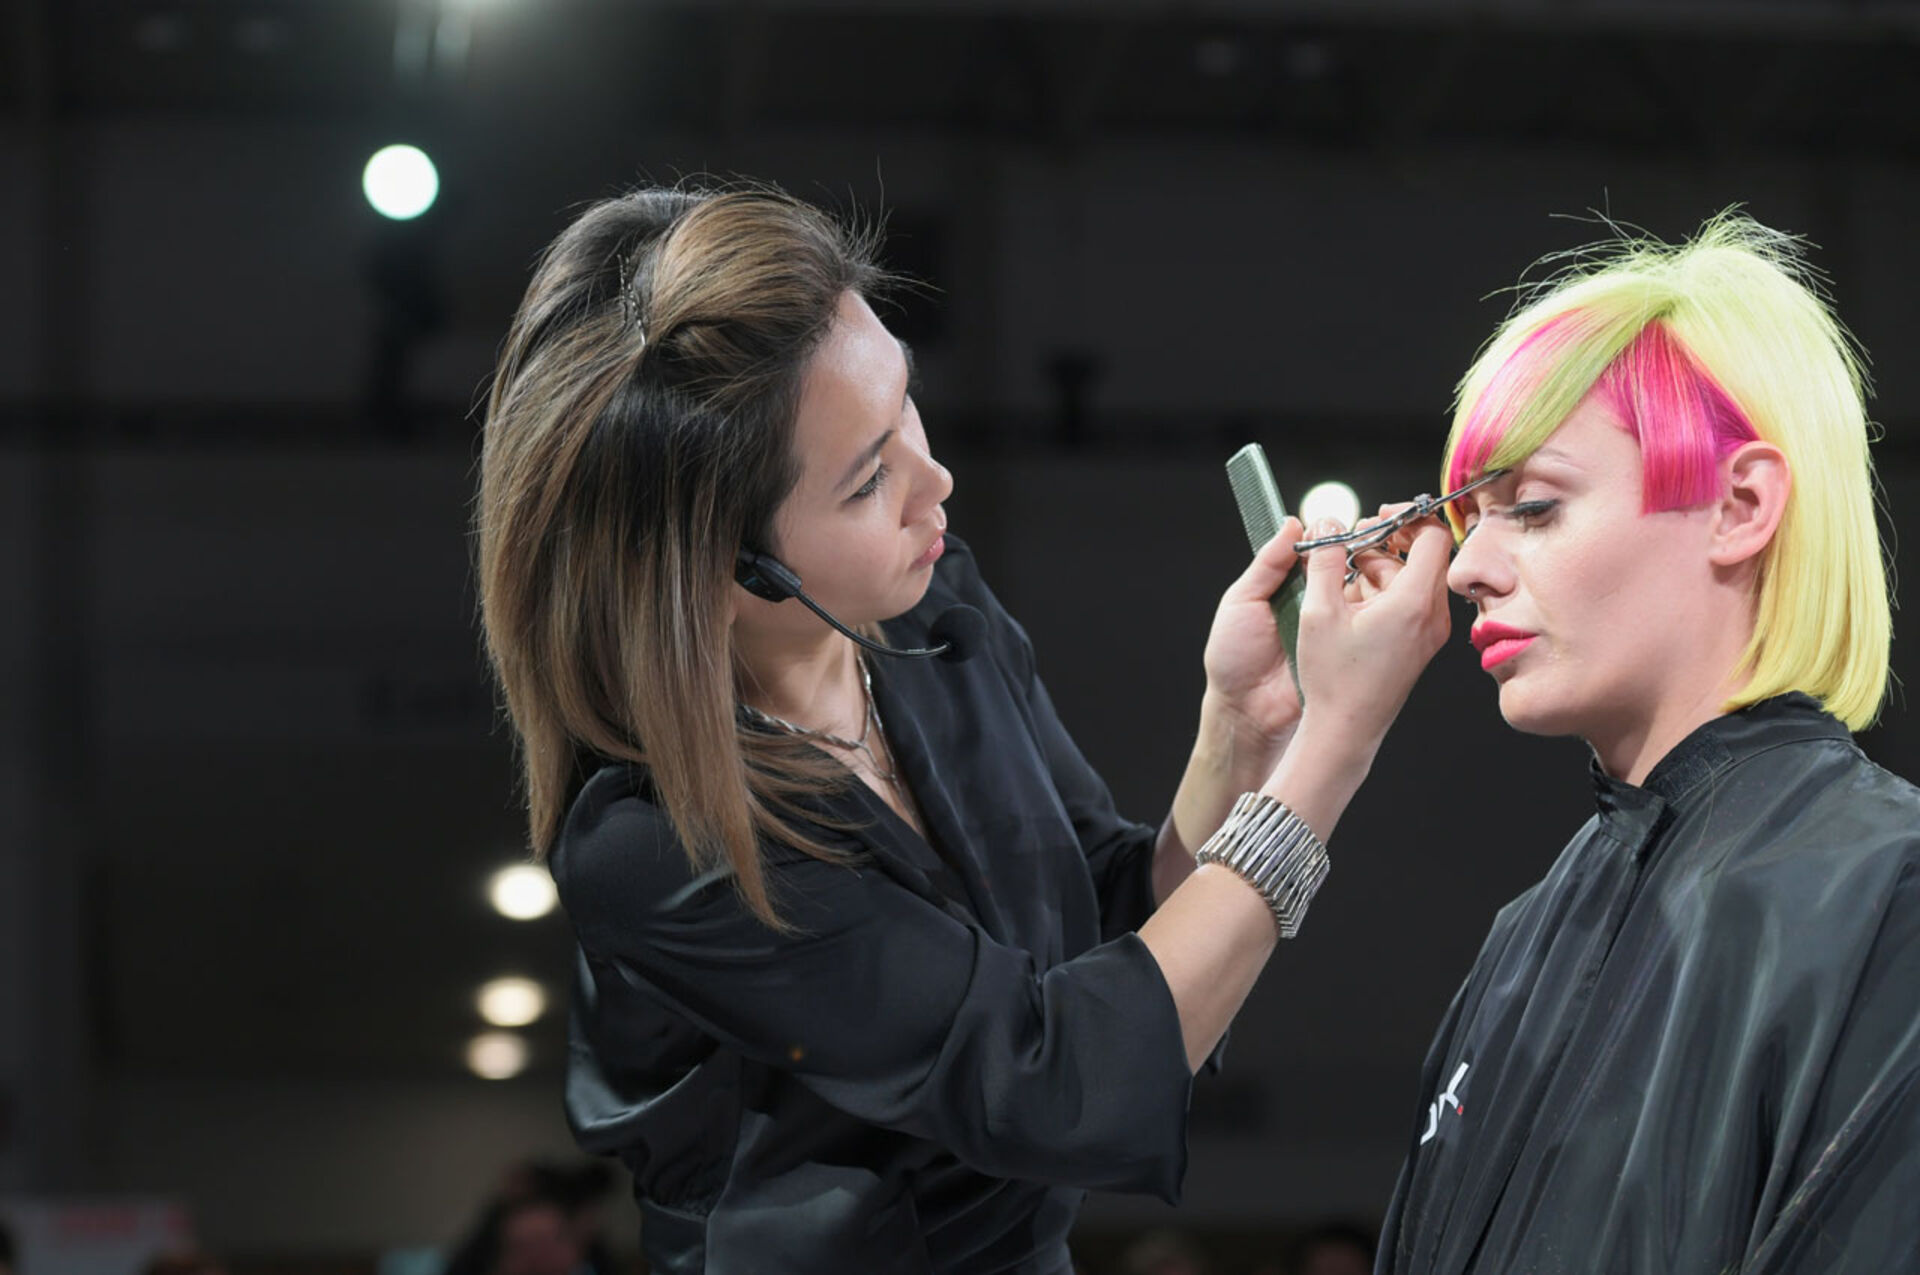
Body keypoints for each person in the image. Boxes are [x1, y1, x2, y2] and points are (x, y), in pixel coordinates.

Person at [474, 182, 1454, 1273]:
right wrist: (1337, 744)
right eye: (868, 481)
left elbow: (1109, 940)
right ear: (722, 571)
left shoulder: (933, 617)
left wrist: (1244, 729)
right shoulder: (662, 841)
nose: (935, 482)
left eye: (905, 405)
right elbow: (1054, 1078)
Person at [1377, 214, 1920, 1273]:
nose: (1465, 567)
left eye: (1534, 506)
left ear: (1739, 504)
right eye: (1472, 517)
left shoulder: (1887, 896)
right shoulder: (1524, 941)